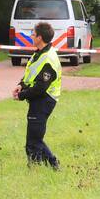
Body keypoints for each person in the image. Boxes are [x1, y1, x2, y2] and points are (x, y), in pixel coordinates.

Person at [12, 22, 62, 169]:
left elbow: (40, 88)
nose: (31, 36)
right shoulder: (39, 53)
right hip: (38, 99)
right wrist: (21, 85)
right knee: (35, 137)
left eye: (33, 34)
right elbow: (31, 75)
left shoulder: (49, 58)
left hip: (44, 100)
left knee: (33, 140)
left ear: (40, 37)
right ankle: (53, 166)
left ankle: (35, 170)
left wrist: (21, 96)